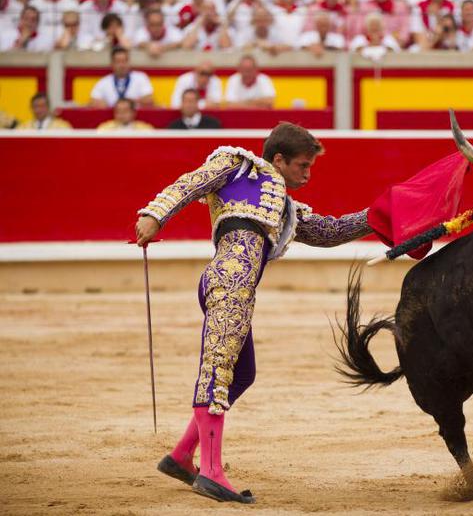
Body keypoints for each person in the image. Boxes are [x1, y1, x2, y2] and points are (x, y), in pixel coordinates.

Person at [135, 123, 372, 504]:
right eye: (302, 166)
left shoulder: (285, 209)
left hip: (240, 287)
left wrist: (380, 215)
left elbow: (330, 231)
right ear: (278, 159)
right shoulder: (238, 166)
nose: (307, 175)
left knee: (242, 373)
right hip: (229, 280)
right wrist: (155, 215)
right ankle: (211, 472)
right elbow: (190, 183)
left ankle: (181, 456)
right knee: (217, 371)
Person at [89, 47, 154, 108]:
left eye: (124, 61)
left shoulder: (141, 78)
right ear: (112, 64)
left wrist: (124, 105)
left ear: (129, 62)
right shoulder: (103, 82)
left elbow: (149, 99)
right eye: (118, 62)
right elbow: (92, 101)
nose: (122, 65)